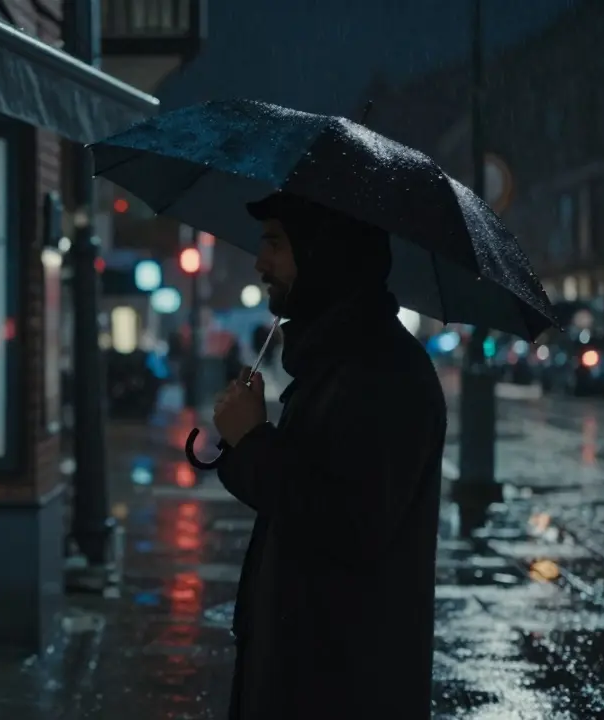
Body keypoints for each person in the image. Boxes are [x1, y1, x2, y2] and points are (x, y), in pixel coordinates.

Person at [211, 193, 446, 719]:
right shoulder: (334, 364)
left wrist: (252, 441)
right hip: (307, 675)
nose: (260, 262)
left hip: (341, 687)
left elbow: (348, 523)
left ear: (324, 253)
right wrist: (247, 441)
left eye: (275, 243)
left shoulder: (383, 373)